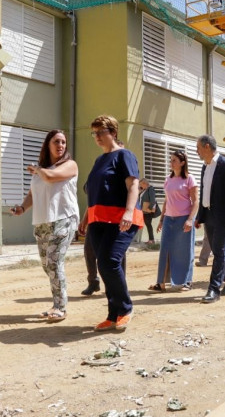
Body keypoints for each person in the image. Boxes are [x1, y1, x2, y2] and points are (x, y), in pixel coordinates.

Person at [11, 129, 78, 322]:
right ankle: (56, 303)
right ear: (48, 144)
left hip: (63, 218)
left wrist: (36, 169)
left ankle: (60, 307)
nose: (61, 145)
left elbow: (50, 177)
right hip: (42, 221)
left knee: (55, 262)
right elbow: (33, 193)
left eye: (63, 142)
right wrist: (22, 208)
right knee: (47, 265)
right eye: (56, 142)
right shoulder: (41, 169)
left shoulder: (70, 165)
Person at [84, 115, 144, 331]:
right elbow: (94, 192)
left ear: (114, 133)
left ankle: (126, 308)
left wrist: (129, 212)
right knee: (103, 266)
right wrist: (85, 219)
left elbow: (133, 185)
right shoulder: (99, 161)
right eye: (94, 133)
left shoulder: (124, 155)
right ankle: (112, 315)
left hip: (121, 219)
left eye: (101, 132)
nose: (97, 136)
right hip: (98, 220)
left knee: (109, 262)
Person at [195, 135, 225, 304]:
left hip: (223, 216)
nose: (197, 151)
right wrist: (199, 216)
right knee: (218, 251)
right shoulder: (205, 167)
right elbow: (204, 192)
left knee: (221, 251)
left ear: (207, 146)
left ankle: (214, 289)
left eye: (199, 148)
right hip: (208, 215)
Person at [151, 150, 199, 291]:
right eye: (170, 160)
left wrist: (190, 219)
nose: (171, 163)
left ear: (182, 163)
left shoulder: (190, 179)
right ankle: (160, 283)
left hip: (184, 218)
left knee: (185, 250)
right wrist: (161, 219)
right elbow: (167, 200)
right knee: (165, 250)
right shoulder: (168, 179)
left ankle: (187, 282)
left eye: (174, 161)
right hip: (168, 219)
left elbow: (196, 201)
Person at [139, 179, 160, 245]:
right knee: (147, 224)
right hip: (143, 210)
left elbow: (153, 200)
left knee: (148, 225)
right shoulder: (144, 190)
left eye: (141, 184)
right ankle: (151, 239)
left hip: (147, 211)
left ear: (145, 183)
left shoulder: (150, 189)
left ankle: (151, 240)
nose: (140, 186)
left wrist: (149, 208)